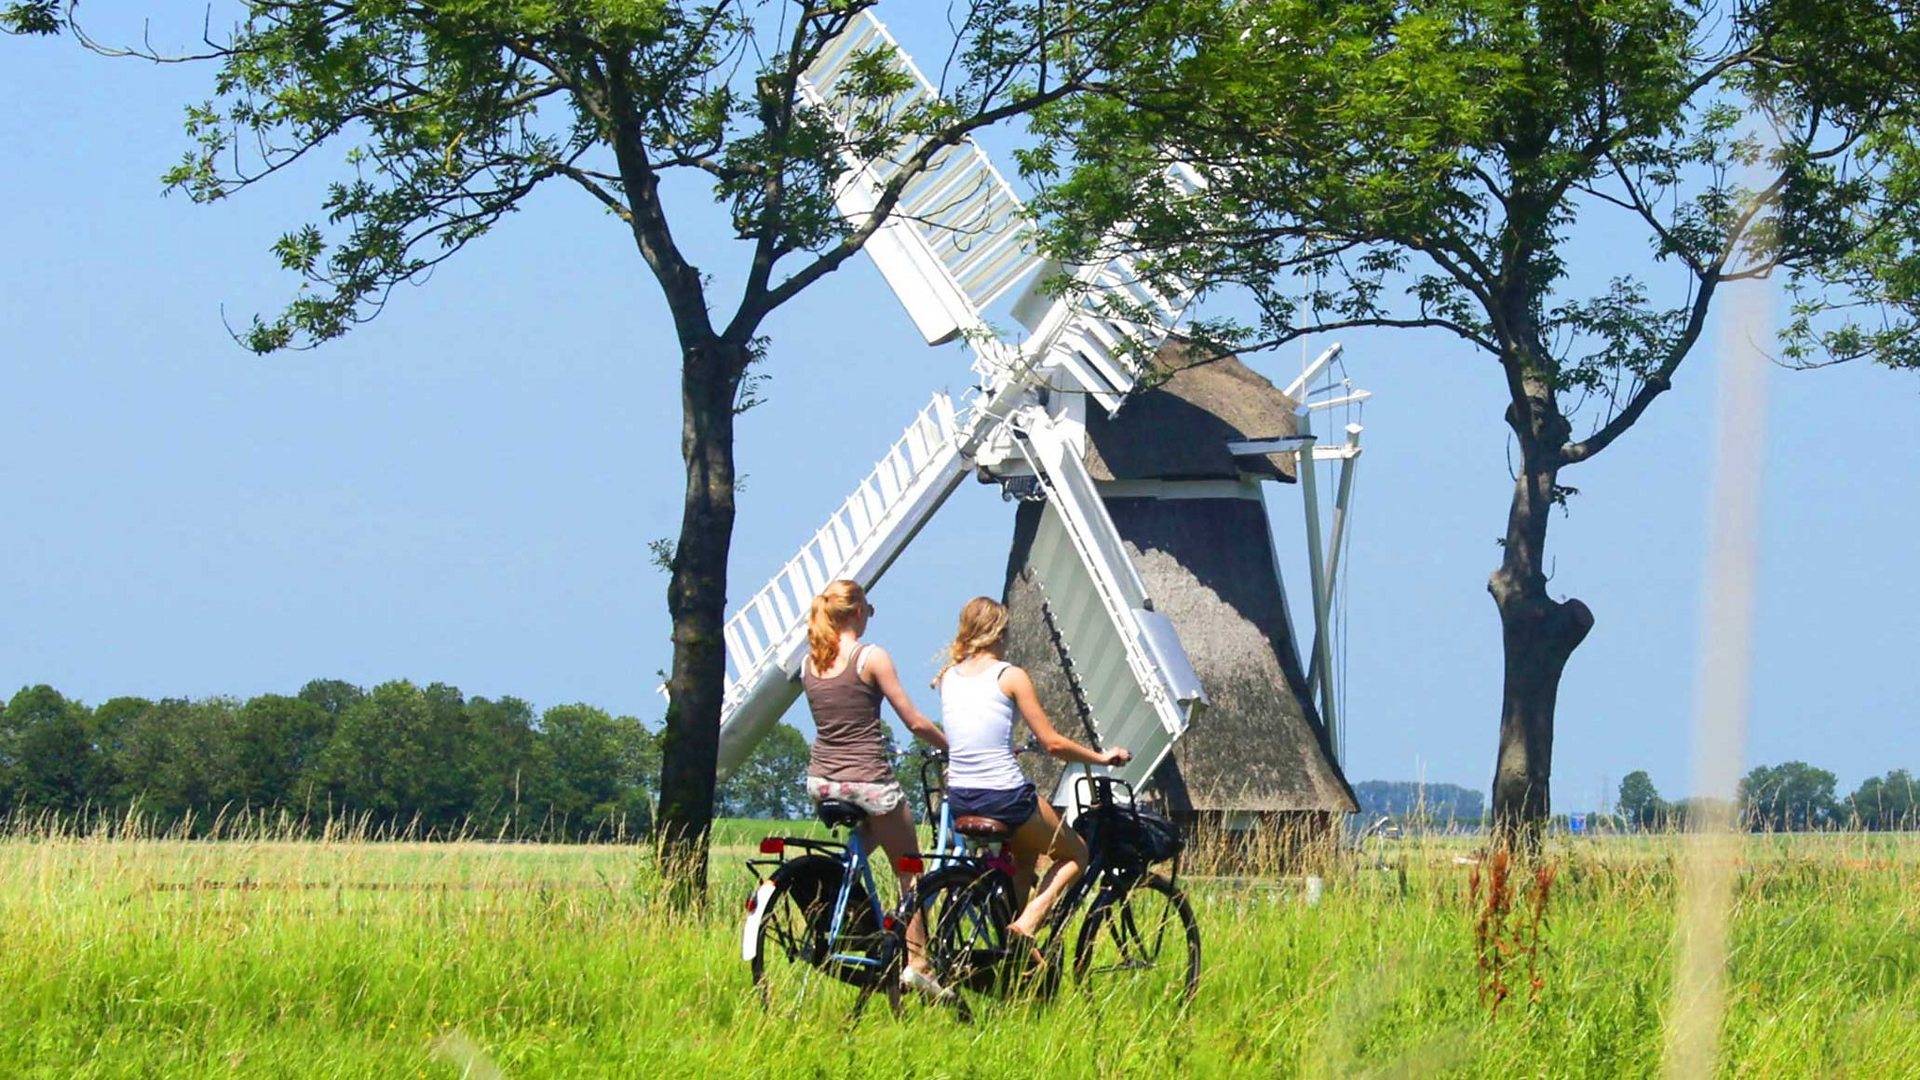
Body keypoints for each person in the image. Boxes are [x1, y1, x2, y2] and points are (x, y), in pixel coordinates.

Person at [933, 596, 1130, 962]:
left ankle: (1013, 952)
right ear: (998, 632)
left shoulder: (948, 677)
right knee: (1076, 854)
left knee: (1025, 857)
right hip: (1004, 797)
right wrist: (1101, 757)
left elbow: (978, 729)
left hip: (960, 795)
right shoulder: (1010, 675)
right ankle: (1027, 925)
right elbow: (1053, 743)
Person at [800, 579, 949, 997]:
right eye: (869, 607)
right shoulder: (871, 656)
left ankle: (858, 925)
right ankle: (919, 964)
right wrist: (953, 749)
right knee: (909, 870)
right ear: (857, 611)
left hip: (822, 782)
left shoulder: (810, 662)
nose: (870, 615)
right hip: (868, 781)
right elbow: (915, 722)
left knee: (866, 846)